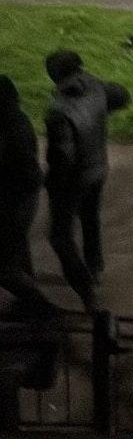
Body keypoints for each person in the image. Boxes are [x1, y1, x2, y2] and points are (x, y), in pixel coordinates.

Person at [44, 50, 130, 312]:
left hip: (74, 178)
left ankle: (87, 293)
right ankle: (95, 267)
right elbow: (122, 95)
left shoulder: (59, 111)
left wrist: (52, 182)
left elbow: (63, 155)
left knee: (60, 236)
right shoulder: (95, 87)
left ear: (54, 75)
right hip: (98, 168)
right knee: (90, 217)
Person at [0, 76, 55, 314]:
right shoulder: (16, 121)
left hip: (14, 199)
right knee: (17, 245)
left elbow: (16, 169)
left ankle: (39, 305)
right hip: (21, 197)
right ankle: (30, 298)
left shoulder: (12, 130)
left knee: (3, 266)